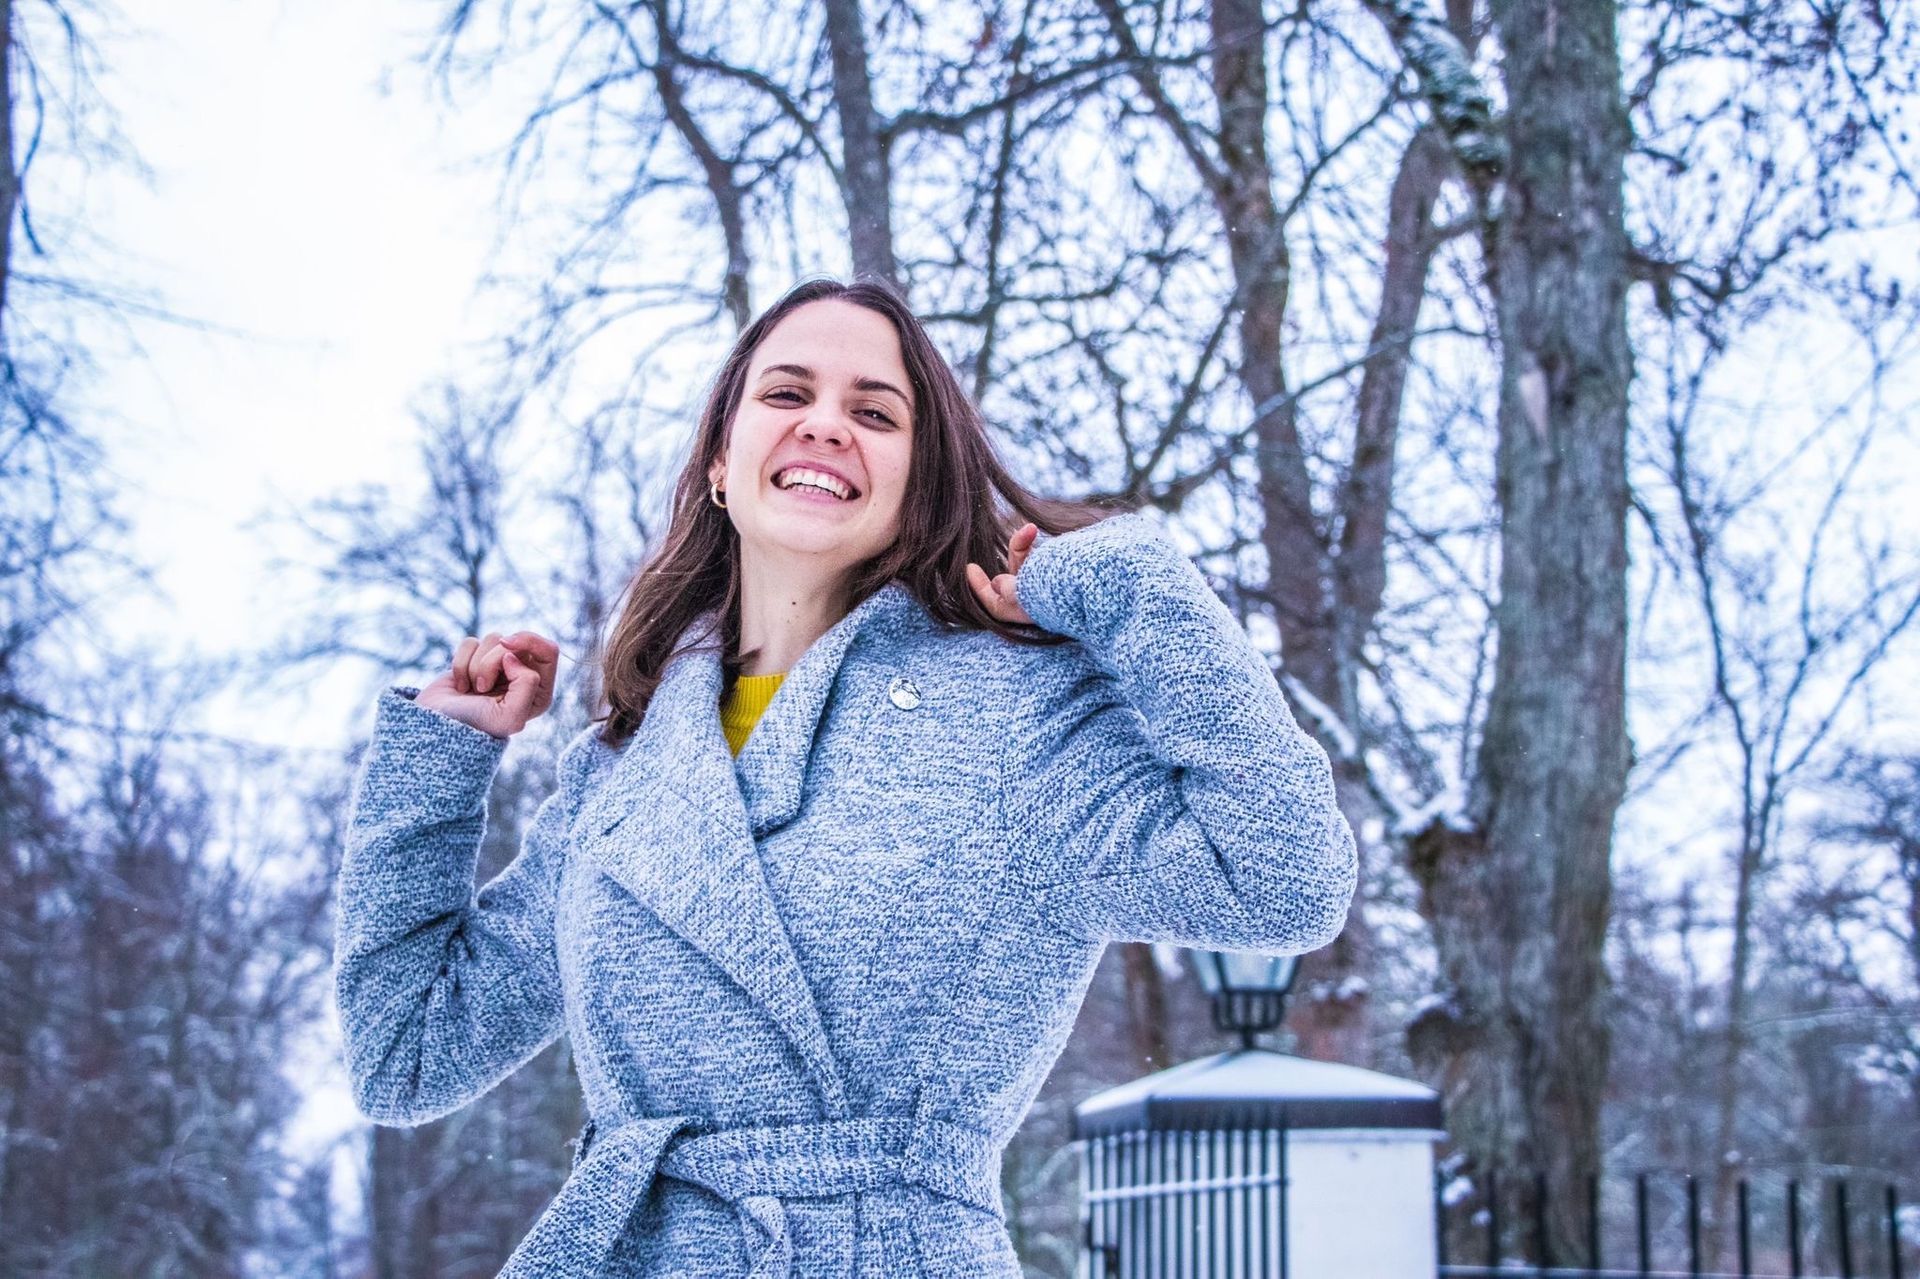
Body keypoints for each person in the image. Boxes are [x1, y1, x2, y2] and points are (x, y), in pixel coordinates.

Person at [332, 276, 1358, 1277]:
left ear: (917, 485)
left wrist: (1127, 590)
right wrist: (444, 757)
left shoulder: (1015, 716)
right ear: (722, 463)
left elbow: (1285, 878)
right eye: (787, 393)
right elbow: (407, 1051)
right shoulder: (628, 763)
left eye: (874, 411)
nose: (825, 424)